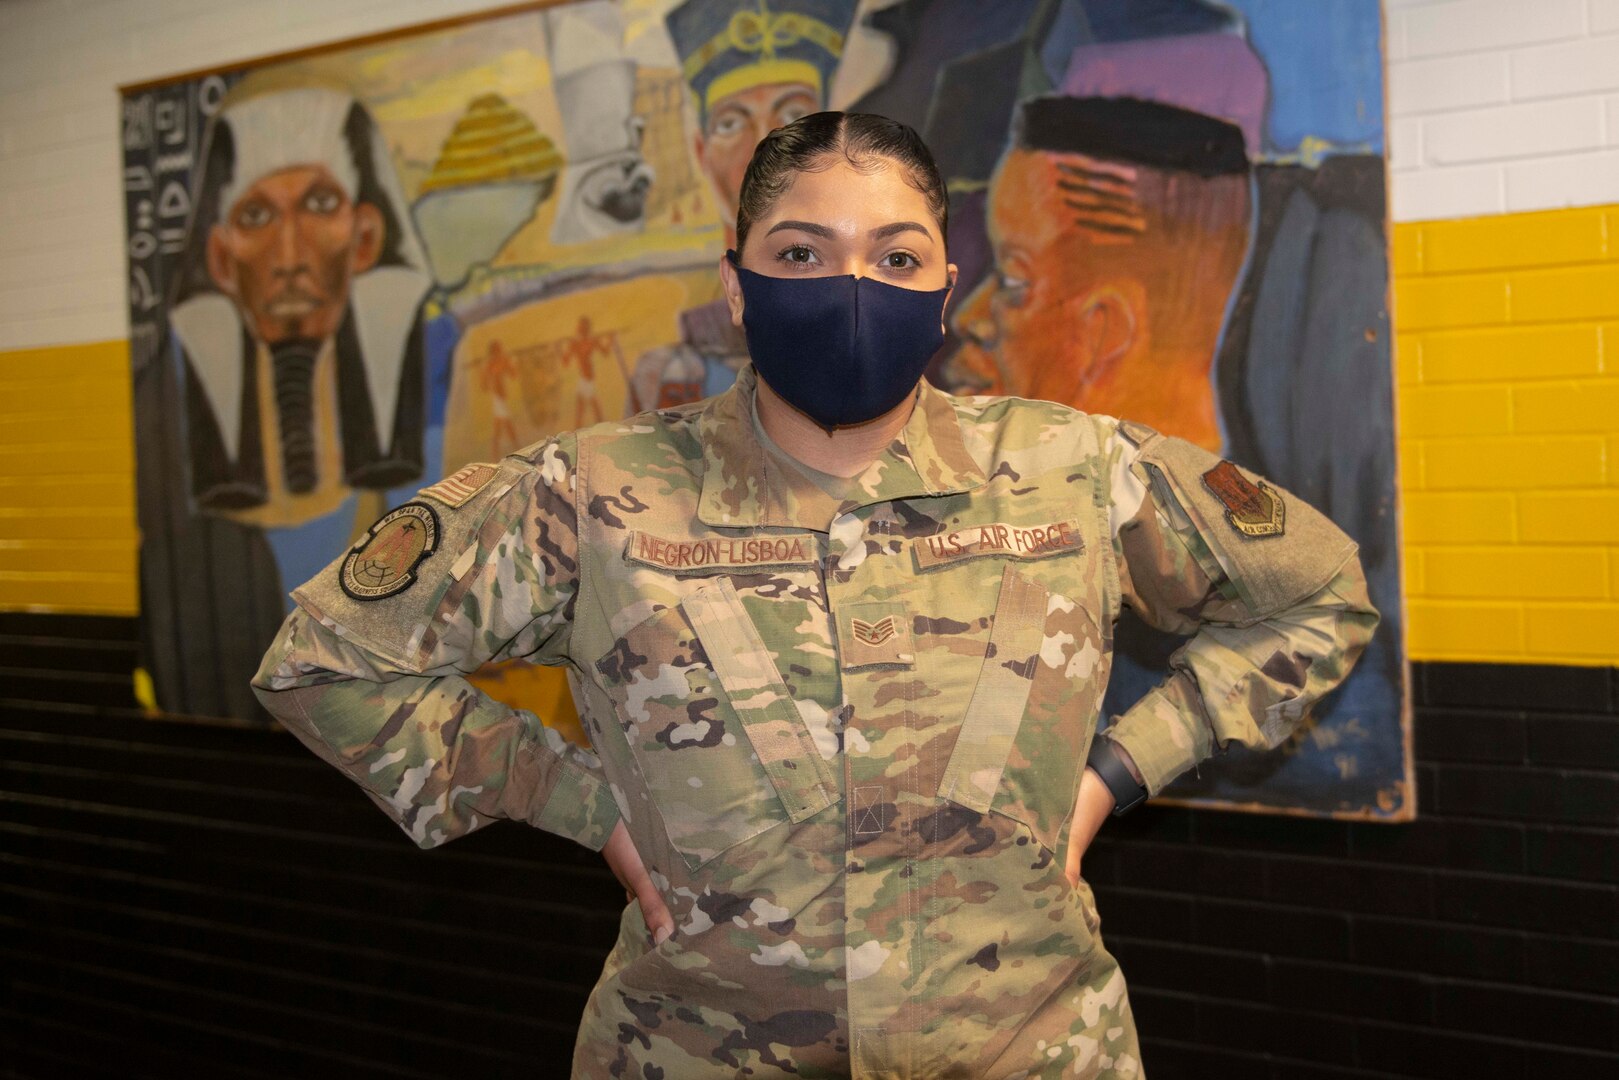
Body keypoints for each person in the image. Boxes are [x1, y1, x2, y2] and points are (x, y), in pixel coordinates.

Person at [252, 112, 1377, 1078]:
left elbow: (1320, 594)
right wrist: (578, 805)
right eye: (801, 252)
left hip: (1027, 1050)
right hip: (695, 1052)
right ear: (735, 286)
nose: (850, 287)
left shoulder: (1077, 470)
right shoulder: (594, 492)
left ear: (943, 285)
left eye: (895, 258)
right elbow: (327, 660)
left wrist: (1117, 774)